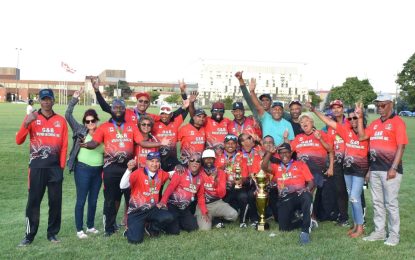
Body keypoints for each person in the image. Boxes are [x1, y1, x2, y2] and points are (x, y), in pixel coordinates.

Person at [81, 99, 143, 236]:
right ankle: (109, 228)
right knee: (110, 199)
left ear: (125, 110)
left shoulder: (132, 126)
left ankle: (130, 226)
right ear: (112, 109)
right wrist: (84, 144)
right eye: (116, 107)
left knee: (130, 198)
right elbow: (94, 143)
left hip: (129, 168)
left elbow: (141, 141)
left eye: (121, 107)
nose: (119, 110)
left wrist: (159, 144)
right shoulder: (104, 127)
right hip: (110, 169)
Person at [16, 89, 68, 246]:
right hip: (37, 167)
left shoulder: (60, 120)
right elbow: (19, 140)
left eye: (49, 99)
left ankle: (52, 233)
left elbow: (64, 145)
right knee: (33, 202)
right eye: (43, 99)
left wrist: (61, 166)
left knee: (55, 202)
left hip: (54, 169)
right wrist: (26, 122)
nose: (46, 102)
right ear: (39, 100)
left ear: (53, 101)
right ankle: (29, 236)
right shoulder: (32, 117)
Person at [356, 94, 408, 246]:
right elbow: (362, 136)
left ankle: (394, 235)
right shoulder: (376, 123)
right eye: (378, 105)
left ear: (390, 104)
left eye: (383, 105)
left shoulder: (398, 122)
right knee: (378, 202)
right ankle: (379, 232)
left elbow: (401, 146)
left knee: (390, 203)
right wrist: (359, 118)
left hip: (390, 170)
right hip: (375, 169)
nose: (380, 108)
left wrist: (393, 167)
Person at [311, 106, 369, 238]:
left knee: (354, 197)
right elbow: (329, 121)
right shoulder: (345, 131)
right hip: (348, 170)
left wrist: (369, 171)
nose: (352, 120)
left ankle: (360, 227)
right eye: (350, 118)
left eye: (355, 117)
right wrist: (315, 110)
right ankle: (355, 225)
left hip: (360, 170)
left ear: (360, 117)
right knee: (351, 197)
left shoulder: (366, 132)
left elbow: (371, 153)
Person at [65, 87, 104, 239]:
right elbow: (68, 115)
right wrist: (74, 99)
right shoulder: (80, 129)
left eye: (92, 120)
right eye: (87, 121)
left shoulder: (103, 132)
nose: (90, 123)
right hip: (82, 169)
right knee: (81, 199)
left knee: (93, 200)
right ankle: (79, 229)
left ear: (96, 120)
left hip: (98, 170)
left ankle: (90, 226)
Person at [262, 143, 314, 245]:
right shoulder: (276, 167)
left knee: (307, 196)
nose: (284, 155)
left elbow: (311, 181)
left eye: (286, 152)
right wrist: (269, 153)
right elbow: (264, 166)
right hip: (285, 198)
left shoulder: (300, 164)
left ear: (291, 153)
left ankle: (305, 231)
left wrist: (307, 188)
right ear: (278, 155)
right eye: (281, 153)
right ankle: (304, 221)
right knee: (283, 228)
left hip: (299, 194)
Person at [120, 152, 174, 244]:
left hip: (152, 209)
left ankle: (151, 228)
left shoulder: (161, 173)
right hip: (137, 211)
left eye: (157, 161)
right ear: (146, 162)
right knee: (135, 240)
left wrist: (179, 168)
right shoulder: (138, 173)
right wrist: (129, 170)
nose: (154, 164)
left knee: (168, 217)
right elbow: (122, 186)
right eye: (152, 161)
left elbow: (171, 174)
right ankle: (131, 229)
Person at [290, 113, 334, 225]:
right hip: (300, 173)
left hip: (316, 171)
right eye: (301, 122)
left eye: (306, 121)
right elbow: (288, 151)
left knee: (307, 193)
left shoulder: (321, 134)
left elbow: (330, 149)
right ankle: (306, 214)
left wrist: (320, 140)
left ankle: (311, 217)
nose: (304, 123)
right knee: (303, 193)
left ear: (312, 122)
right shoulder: (298, 138)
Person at [158, 153, 208, 234]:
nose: (195, 162)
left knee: (193, 228)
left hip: (184, 208)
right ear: (188, 162)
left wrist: (204, 212)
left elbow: (201, 196)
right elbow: (170, 188)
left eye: (198, 161)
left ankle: (177, 221)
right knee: (174, 232)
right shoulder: (180, 172)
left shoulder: (200, 179)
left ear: (200, 165)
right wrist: (163, 201)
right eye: (192, 160)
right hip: (172, 205)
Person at [195, 149, 238, 230]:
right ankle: (212, 220)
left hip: (217, 203)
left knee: (233, 215)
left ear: (214, 159)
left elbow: (222, 194)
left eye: (211, 158)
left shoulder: (220, 172)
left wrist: (216, 182)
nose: (209, 160)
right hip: (203, 205)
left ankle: (216, 218)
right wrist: (204, 211)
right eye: (206, 158)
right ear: (203, 160)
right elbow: (200, 195)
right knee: (205, 229)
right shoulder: (198, 172)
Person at [215, 134, 250, 227]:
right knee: (217, 197)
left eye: (233, 143)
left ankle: (243, 221)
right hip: (223, 186)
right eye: (228, 143)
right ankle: (218, 221)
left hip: (237, 186)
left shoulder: (242, 156)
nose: (230, 145)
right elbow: (214, 174)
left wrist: (240, 181)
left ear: (236, 145)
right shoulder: (218, 157)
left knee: (243, 197)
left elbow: (245, 175)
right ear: (224, 144)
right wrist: (223, 166)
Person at [248, 78, 294, 145]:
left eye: (279, 109)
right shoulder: (266, 118)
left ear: (282, 111)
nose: (277, 111)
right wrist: (252, 91)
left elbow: (291, 142)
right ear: (271, 110)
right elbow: (258, 106)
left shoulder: (287, 124)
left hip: (280, 153)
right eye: (275, 109)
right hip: (266, 151)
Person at [326, 99, 350, 226]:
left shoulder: (351, 122)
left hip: (352, 162)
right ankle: (343, 217)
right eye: (333, 108)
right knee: (340, 191)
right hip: (337, 163)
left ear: (343, 108)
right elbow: (330, 149)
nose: (336, 110)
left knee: (355, 191)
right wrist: (331, 166)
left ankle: (361, 218)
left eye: (338, 107)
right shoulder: (331, 127)